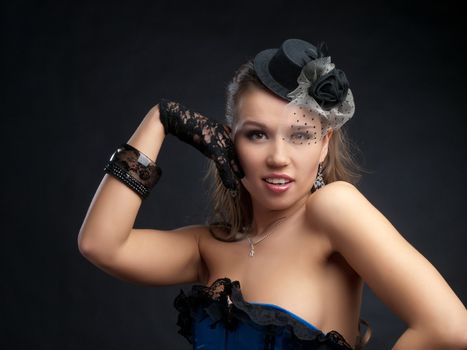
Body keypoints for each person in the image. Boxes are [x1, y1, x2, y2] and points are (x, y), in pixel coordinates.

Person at [77, 38, 467, 350]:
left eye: (300, 136)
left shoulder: (333, 208)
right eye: (257, 134)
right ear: (228, 143)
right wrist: (161, 119)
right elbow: (101, 244)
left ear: (324, 145)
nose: (278, 158)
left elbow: (450, 328)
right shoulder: (207, 247)